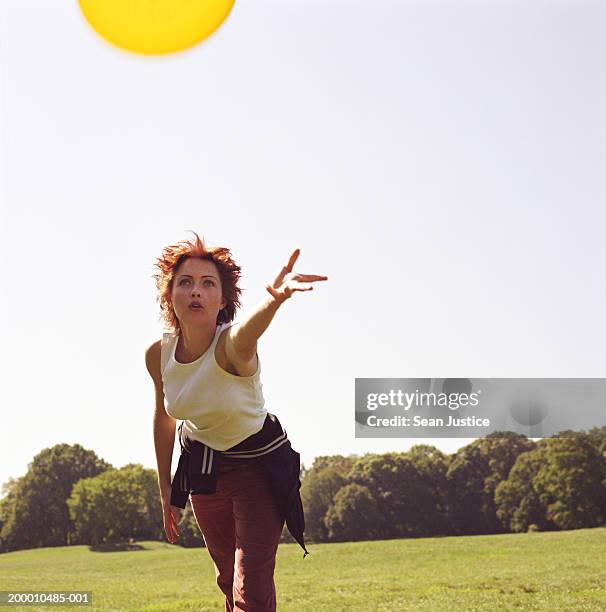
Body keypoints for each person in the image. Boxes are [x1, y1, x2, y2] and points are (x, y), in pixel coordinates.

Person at [145, 231, 327, 611]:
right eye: (186, 282)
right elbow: (164, 416)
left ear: (223, 300)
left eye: (208, 283)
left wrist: (273, 302)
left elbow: (248, 332)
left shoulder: (231, 347)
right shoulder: (158, 355)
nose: (196, 291)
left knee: (252, 586)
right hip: (204, 471)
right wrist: (166, 490)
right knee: (228, 578)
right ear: (170, 295)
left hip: (256, 469)